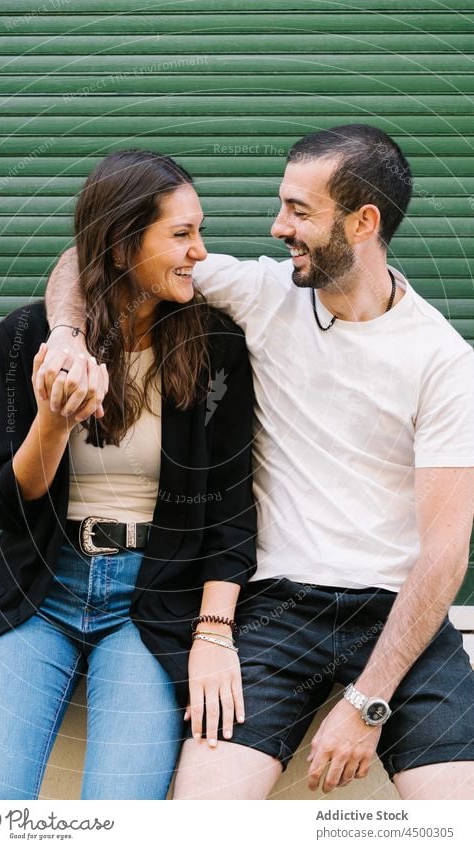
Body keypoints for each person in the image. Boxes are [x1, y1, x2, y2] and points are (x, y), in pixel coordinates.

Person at [40, 124, 474, 801]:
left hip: (400, 613)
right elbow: (89, 253)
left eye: (300, 211)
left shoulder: (443, 361)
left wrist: (368, 703)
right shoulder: (264, 293)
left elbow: (445, 556)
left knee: (459, 819)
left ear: (364, 222)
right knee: (200, 824)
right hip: (276, 610)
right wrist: (66, 335)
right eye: (281, 204)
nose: (277, 227)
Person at [0, 150, 256, 800]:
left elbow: (232, 518)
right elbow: (2, 504)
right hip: (39, 595)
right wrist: (54, 422)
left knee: (121, 820)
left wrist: (213, 633)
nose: (200, 251)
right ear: (122, 248)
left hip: (151, 606)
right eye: (181, 234)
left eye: (198, 230)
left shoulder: (217, 347)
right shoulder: (31, 335)